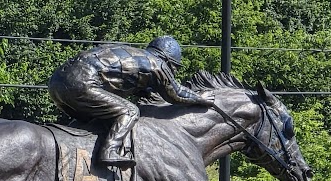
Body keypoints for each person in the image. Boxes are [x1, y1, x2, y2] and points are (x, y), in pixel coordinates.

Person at [48, 35, 215, 167]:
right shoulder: (157, 64)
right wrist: (200, 97)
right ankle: (109, 151)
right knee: (130, 111)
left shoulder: (136, 55)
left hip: (56, 84)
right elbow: (176, 94)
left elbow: (123, 78)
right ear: (168, 60)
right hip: (82, 83)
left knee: (95, 120)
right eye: (175, 67)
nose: (174, 72)